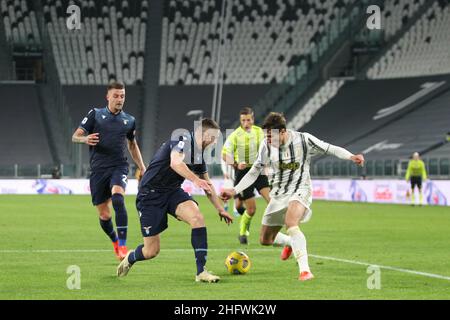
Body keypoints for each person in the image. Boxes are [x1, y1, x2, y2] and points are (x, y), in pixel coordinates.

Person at [221, 112, 365, 281]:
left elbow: (329, 148)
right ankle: (290, 242)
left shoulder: (303, 140)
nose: (268, 140)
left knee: (291, 223)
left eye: (271, 136)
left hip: (300, 189)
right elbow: (254, 172)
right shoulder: (266, 146)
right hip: (279, 193)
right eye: (266, 136)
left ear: (282, 132)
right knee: (265, 239)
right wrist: (234, 190)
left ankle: (305, 271)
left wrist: (351, 156)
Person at [117, 119, 234, 283]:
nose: (214, 143)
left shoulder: (199, 156)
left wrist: (220, 209)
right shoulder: (183, 138)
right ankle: (131, 257)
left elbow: (207, 185)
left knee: (197, 218)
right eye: (213, 138)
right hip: (150, 194)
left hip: (172, 192)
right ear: (205, 135)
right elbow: (175, 163)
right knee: (151, 251)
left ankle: (201, 272)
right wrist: (195, 180)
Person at [72, 81, 146, 261]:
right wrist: (85, 139)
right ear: (108, 97)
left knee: (118, 198)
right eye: (116, 96)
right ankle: (114, 241)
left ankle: (122, 245)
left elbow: (132, 145)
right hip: (98, 170)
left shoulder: (129, 120)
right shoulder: (95, 114)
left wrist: (142, 167)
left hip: (119, 166)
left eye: (122, 96)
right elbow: (75, 136)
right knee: (104, 214)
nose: (119, 99)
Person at [222, 107, 270, 244]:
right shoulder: (235, 135)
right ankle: (243, 232)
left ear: (253, 119)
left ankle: (273, 231)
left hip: (259, 171)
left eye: (248, 120)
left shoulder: (259, 132)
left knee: (272, 201)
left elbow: (267, 149)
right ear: (240, 121)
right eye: (243, 120)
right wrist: (236, 164)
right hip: (243, 174)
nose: (246, 123)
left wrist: (266, 164)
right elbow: (225, 154)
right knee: (249, 209)